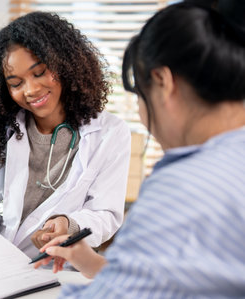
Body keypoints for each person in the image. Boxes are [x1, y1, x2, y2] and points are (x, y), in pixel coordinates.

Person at [34, 0, 245, 297]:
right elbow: (187, 278)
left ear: (162, 82)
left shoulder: (187, 185)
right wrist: (93, 261)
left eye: (139, 95)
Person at [0, 11, 131, 258]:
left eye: (40, 72)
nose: (31, 90)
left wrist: (69, 224)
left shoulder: (109, 133)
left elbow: (105, 214)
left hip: (59, 269)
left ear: (65, 64)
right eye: (16, 83)